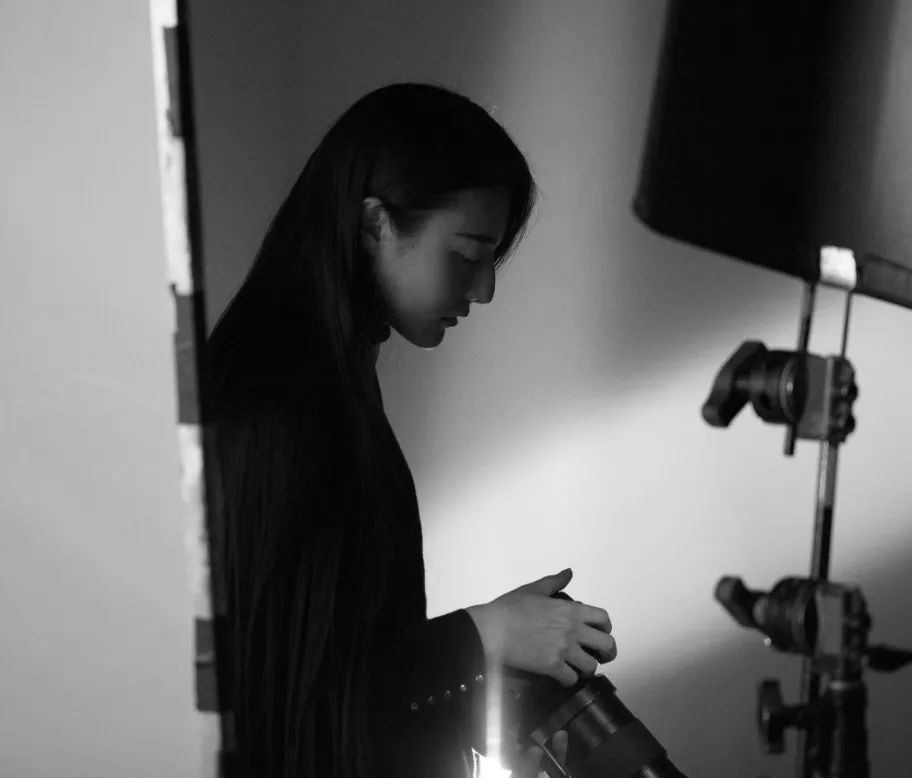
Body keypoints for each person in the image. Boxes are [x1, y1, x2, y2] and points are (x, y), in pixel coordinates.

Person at [202, 82, 617, 778]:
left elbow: (351, 660)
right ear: (375, 225)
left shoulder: (323, 372)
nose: (483, 290)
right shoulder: (280, 395)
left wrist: (492, 649)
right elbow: (286, 698)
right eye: (467, 254)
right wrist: (484, 636)